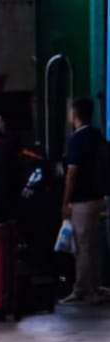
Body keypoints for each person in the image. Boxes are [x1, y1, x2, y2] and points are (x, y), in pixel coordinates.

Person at [61, 97, 106, 305]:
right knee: (93, 245)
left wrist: (65, 201)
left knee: (83, 247)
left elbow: (72, 174)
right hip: (98, 198)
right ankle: (95, 285)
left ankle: (83, 289)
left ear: (76, 114)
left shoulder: (76, 140)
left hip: (81, 201)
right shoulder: (98, 136)